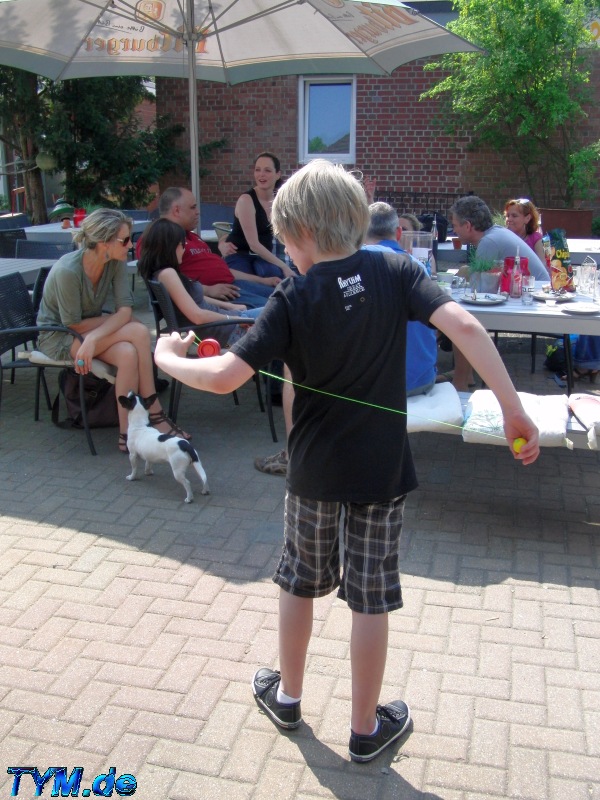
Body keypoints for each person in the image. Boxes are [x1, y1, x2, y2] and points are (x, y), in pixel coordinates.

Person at [155, 160, 539, 764]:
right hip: (381, 472)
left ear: (301, 231)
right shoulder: (392, 267)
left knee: (298, 581)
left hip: (312, 474)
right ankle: (364, 730)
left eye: (284, 238)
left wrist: (166, 356)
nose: (284, 248)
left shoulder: (292, 295)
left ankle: (288, 696)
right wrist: (512, 409)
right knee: (370, 596)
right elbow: (463, 323)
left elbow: (226, 376)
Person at [36, 208, 189, 454]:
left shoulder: (114, 262)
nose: (131, 245)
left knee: (129, 351)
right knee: (138, 332)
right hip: (59, 336)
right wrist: (108, 324)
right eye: (125, 240)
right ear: (104, 242)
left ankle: (127, 432)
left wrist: (96, 336)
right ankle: (155, 412)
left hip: (89, 334)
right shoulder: (68, 271)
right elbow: (72, 324)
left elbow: (125, 311)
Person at [448, 195, 549, 390]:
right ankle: (465, 375)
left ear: (468, 226)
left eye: (455, 225)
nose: (454, 230)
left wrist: (462, 274)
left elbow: (479, 288)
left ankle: (460, 382)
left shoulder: (489, 242)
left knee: (462, 318)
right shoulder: (495, 233)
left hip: (533, 301)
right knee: (465, 315)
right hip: (526, 295)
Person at [137, 218, 261, 347]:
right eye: (182, 244)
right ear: (169, 246)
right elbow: (197, 316)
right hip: (226, 329)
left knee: (279, 311)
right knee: (280, 316)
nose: (184, 250)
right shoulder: (168, 274)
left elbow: (194, 299)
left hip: (229, 320)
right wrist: (235, 319)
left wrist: (231, 307)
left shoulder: (161, 274)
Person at [156, 187, 277, 308]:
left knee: (284, 296)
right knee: (277, 308)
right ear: (176, 210)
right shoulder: (161, 237)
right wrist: (207, 290)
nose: (198, 212)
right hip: (217, 298)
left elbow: (223, 270)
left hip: (233, 285)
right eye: (192, 207)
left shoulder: (191, 236)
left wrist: (264, 281)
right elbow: (165, 282)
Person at [364, 202, 438, 395]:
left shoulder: (351, 267)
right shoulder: (417, 266)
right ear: (398, 233)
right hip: (421, 381)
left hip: (373, 387)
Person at [221, 152, 295, 280]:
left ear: (278, 174)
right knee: (250, 285)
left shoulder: (280, 201)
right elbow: (253, 244)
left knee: (276, 277)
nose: (261, 174)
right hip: (240, 255)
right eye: (258, 170)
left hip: (263, 257)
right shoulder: (246, 200)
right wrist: (284, 267)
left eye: (267, 170)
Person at [504, 198, 546, 265]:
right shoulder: (503, 237)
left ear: (527, 218)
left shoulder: (535, 239)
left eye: (514, 216)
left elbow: (542, 265)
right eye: (507, 216)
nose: (509, 219)